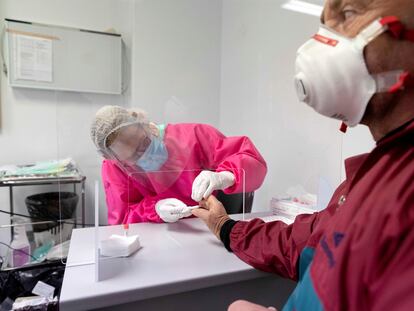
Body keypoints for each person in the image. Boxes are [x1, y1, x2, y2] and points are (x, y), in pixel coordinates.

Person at [192, 0, 414, 310]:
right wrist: (224, 226)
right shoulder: (375, 176)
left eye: (349, 13)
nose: (318, 45)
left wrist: (227, 174)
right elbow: (306, 239)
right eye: (324, 24)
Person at [90, 105, 267, 224]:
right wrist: (154, 209)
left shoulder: (193, 136)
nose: (143, 154)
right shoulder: (115, 167)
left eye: (144, 143)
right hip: (158, 241)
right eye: (133, 156)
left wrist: (226, 176)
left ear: (146, 125)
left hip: (209, 230)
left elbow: (253, 161)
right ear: (117, 160)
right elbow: (122, 219)